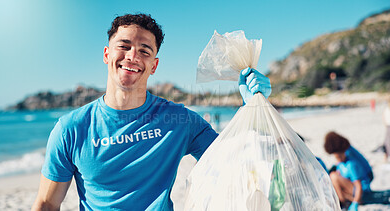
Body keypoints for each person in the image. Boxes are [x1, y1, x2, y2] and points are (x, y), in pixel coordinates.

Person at [31, 13, 272, 210]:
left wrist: (253, 107)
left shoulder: (179, 121)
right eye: (124, 46)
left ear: (154, 65)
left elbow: (237, 160)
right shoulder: (71, 128)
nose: (133, 56)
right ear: (107, 54)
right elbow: (47, 203)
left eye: (144, 51)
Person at [324, 131, 373, 211]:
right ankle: (344, 200)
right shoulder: (343, 158)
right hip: (357, 182)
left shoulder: (350, 162)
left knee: (333, 176)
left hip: (362, 185)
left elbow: (359, 184)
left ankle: (345, 201)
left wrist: (355, 203)